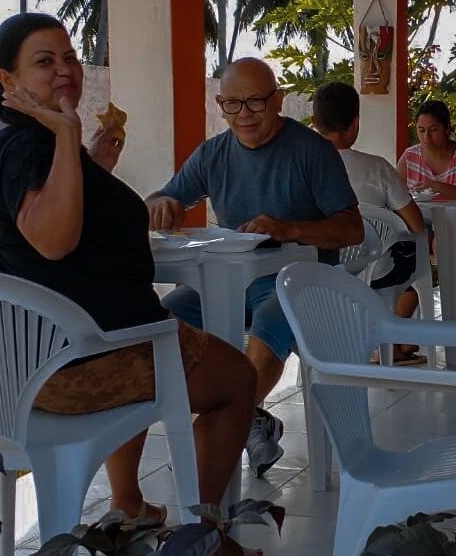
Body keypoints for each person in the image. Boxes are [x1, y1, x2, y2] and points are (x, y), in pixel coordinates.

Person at [0, 13, 264, 556]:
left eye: (69, 57)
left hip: (67, 351)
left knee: (161, 337)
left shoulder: (36, 145)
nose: (65, 70)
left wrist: (88, 159)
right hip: (80, 362)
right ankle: (203, 543)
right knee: (236, 380)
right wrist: (65, 135)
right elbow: (56, 241)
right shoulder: (26, 145)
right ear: (6, 80)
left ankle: (130, 505)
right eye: (44, 61)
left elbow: (64, 222)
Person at [147, 58, 363, 475]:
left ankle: (212, 436)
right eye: (232, 104)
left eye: (255, 102)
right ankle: (247, 419)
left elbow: (353, 229)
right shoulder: (213, 154)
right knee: (159, 325)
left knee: (264, 335)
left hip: (301, 282)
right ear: (219, 104)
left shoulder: (311, 151)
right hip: (228, 279)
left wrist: (290, 228)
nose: (243, 114)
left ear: (278, 101)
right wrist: (162, 205)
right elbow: (163, 197)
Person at [312, 81, 427, 363]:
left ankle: (390, 341)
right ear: (355, 124)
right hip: (374, 269)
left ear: (314, 123)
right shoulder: (377, 168)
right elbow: (416, 224)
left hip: (318, 268)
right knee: (413, 264)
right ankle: (390, 341)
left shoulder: (303, 167)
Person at [396, 101, 456, 315]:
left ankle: (451, 316)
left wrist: (438, 187)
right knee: (409, 243)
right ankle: (405, 318)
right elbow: (394, 193)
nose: (426, 137)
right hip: (422, 223)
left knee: (444, 243)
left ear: (447, 129)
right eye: (421, 130)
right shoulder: (410, 156)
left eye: (433, 130)